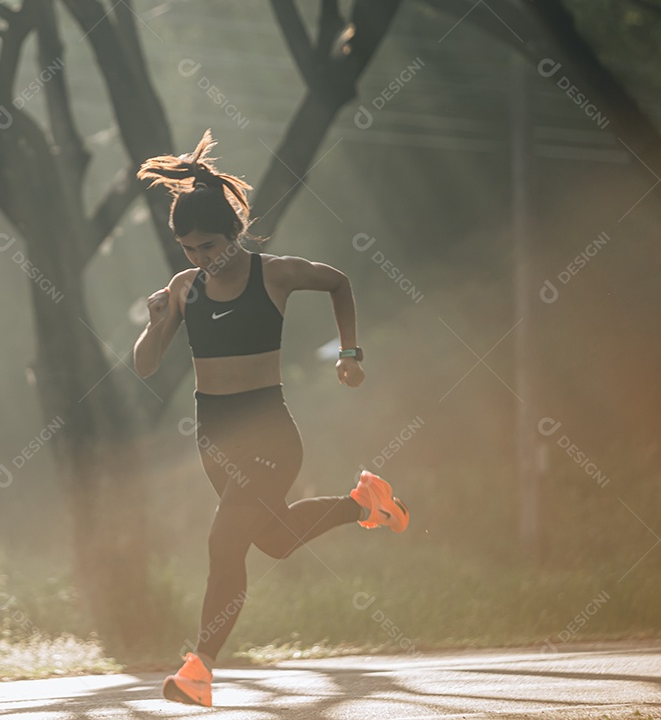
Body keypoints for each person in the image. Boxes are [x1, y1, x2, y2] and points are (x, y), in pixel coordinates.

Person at [133, 130, 409, 708]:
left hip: (269, 434)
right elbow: (145, 365)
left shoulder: (275, 274)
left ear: (234, 233)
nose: (202, 259)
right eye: (189, 249)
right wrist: (157, 320)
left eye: (210, 246)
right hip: (216, 438)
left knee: (223, 546)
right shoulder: (185, 289)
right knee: (276, 541)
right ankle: (365, 503)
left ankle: (198, 671)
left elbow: (339, 281)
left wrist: (350, 354)